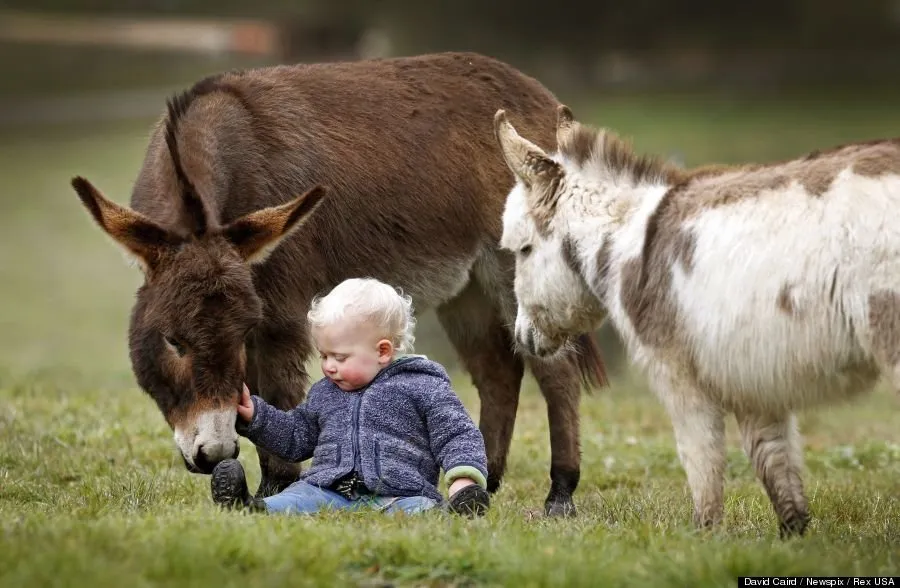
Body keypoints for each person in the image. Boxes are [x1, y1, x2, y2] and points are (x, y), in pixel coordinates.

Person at [210, 277, 491, 516]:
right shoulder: (325, 393)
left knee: (422, 509)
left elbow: (457, 434)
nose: (329, 366)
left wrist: (463, 481)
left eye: (340, 357)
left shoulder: (422, 385)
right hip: (326, 490)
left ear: (382, 351)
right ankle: (247, 505)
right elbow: (296, 436)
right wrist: (256, 415)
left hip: (399, 493)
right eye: (323, 355)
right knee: (293, 501)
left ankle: (456, 510)